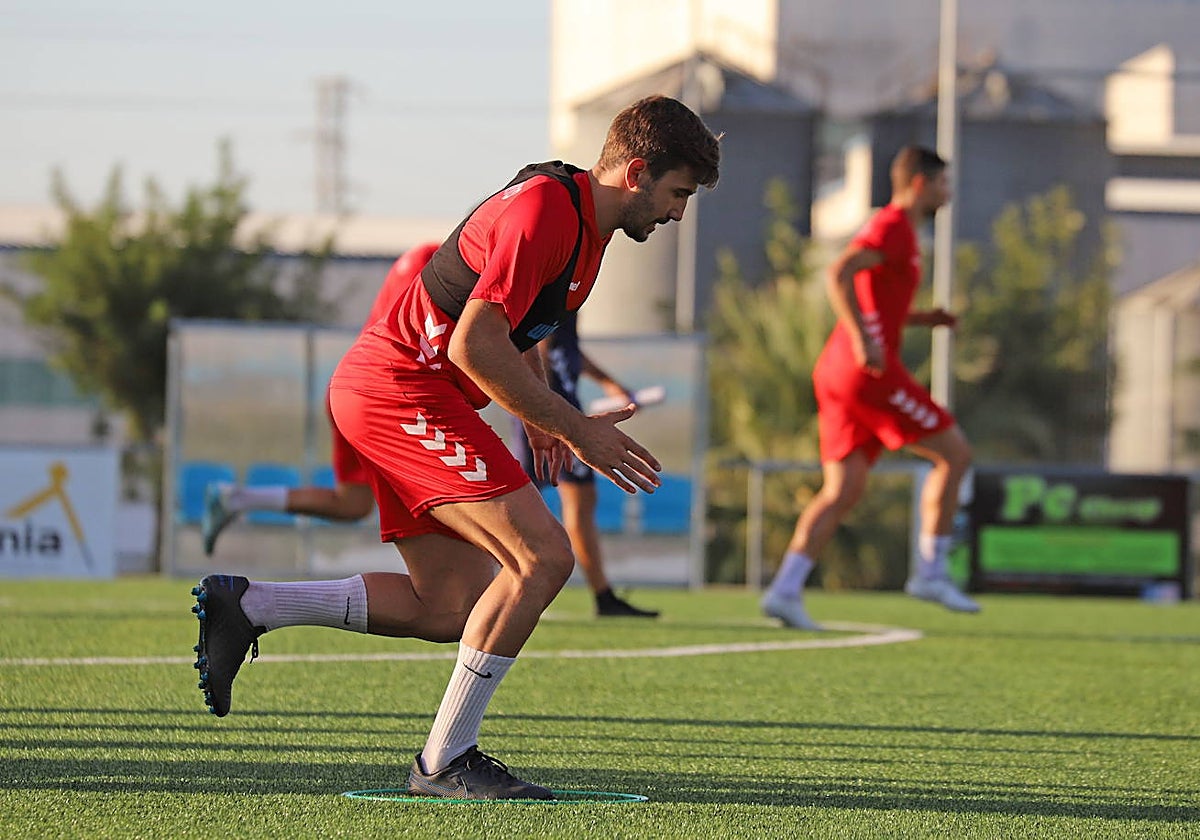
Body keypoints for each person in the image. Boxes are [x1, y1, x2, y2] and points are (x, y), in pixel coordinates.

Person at [191, 95, 721, 801]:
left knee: (447, 606)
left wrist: (540, 415)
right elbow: (474, 344)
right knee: (543, 557)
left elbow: (513, 327)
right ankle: (445, 760)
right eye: (678, 193)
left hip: (403, 393)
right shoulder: (547, 211)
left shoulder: (583, 228)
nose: (678, 213)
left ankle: (252, 605)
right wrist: (574, 426)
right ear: (635, 173)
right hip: (400, 391)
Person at [760, 145, 978, 631]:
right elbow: (840, 272)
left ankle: (784, 590)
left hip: (837, 372)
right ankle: (931, 572)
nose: (947, 193)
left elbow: (880, 302)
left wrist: (922, 319)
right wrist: (863, 340)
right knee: (954, 454)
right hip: (868, 374)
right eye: (942, 183)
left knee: (843, 489)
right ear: (920, 184)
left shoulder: (900, 231)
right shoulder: (894, 225)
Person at [198, 242, 442, 556]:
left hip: (356, 388)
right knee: (438, 500)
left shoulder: (426, 258)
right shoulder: (431, 261)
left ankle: (239, 499)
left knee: (353, 504)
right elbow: (422, 336)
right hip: (381, 393)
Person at [510, 310, 659, 618]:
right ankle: (493, 584)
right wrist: (547, 410)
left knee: (579, 499)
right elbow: (535, 343)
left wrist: (608, 382)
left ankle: (603, 597)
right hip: (547, 412)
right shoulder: (552, 287)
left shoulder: (571, 295)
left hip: (559, 408)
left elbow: (566, 348)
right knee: (515, 501)